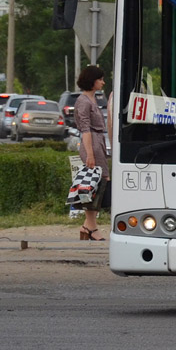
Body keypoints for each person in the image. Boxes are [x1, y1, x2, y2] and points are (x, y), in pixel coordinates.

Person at [74, 65, 109, 241]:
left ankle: (88, 226)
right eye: (100, 79)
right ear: (92, 80)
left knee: (97, 184)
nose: (103, 82)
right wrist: (90, 154)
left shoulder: (92, 99)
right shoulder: (83, 101)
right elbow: (85, 129)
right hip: (92, 144)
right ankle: (91, 226)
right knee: (98, 183)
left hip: (98, 142)